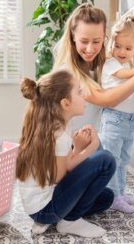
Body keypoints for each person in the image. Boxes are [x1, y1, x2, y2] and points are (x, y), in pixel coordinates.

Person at [16, 69, 116, 238]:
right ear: (66, 103)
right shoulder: (58, 135)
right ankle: (70, 221)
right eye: (78, 91)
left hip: (44, 204)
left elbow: (58, 171)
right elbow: (60, 177)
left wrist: (77, 148)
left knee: (106, 197)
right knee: (106, 160)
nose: (83, 93)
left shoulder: (58, 125)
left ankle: (54, 220)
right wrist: (89, 148)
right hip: (44, 209)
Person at [54, 3, 134, 132]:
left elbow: (127, 67)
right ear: (73, 37)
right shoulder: (67, 73)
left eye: (96, 41)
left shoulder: (102, 62)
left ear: (104, 38)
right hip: (72, 147)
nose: (90, 49)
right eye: (84, 41)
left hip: (93, 143)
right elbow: (107, 99)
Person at [99, 15, 134, 213]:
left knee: (124, 159)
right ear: (111, 41)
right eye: (117, 45)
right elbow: (129, 76)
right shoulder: (111, 63)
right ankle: (112, 198)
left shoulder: (129, 63)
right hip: (113, 118)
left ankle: (120, 193)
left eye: (128, 48)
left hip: (128, 121)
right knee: (113, 160)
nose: (122, 51)